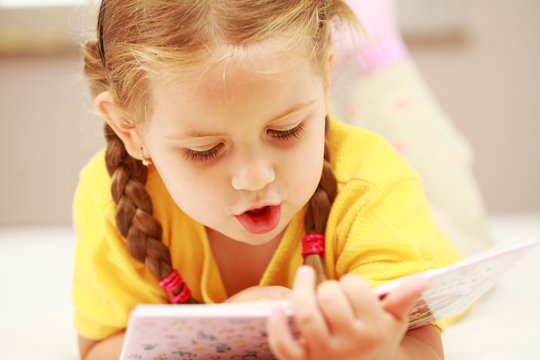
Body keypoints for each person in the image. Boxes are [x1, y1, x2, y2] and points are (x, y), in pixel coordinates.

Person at [73, 1, 461, 359]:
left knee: (441, 182)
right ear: (129, 128)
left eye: (286, 130)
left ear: (326, 80)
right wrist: (220, 336)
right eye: (206, 150)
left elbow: (420, 344)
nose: (256, 177)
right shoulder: (112, 201)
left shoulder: (376, 186)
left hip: (437, 232)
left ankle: (380, 49)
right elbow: (100, 349)